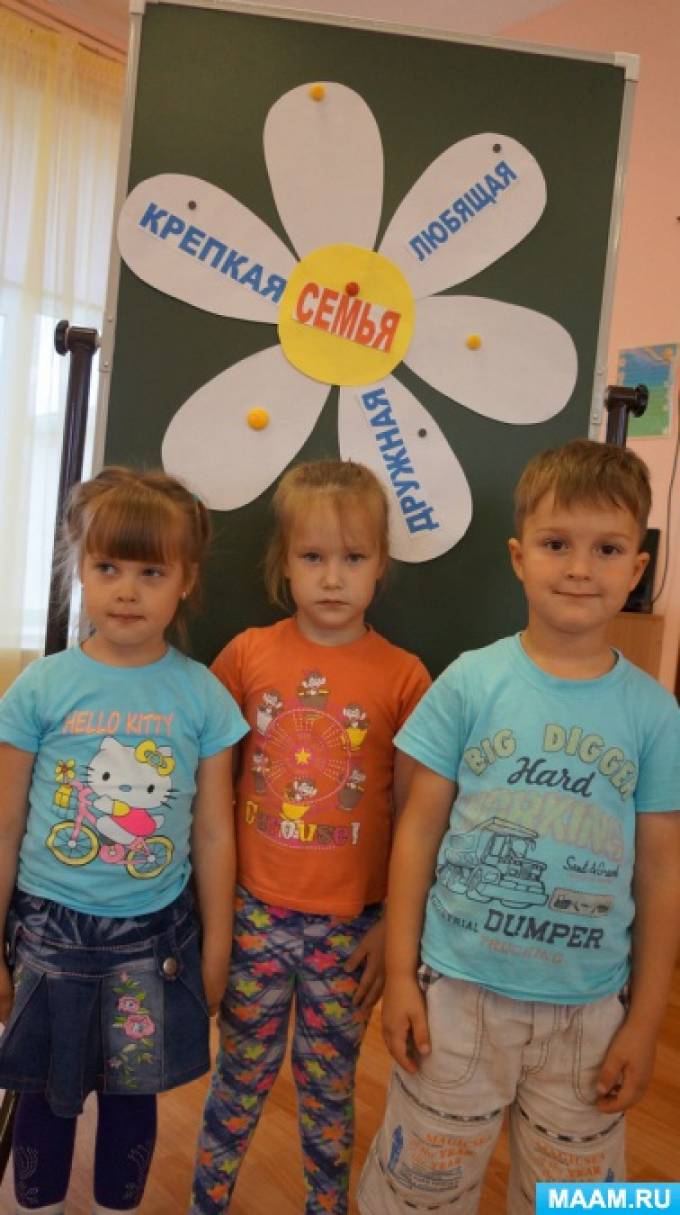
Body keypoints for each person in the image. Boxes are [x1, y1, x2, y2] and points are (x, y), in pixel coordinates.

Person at [357, 439, 680, 1214]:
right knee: (420, 1192)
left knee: (581, 1199)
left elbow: (662, 870)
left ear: (637, 568)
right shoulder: (471, 681)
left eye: (607, 549)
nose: (580, 568)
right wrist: (399, 974)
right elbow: (416, 833)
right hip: (456, 998)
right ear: (518, 556)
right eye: (556, 543)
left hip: (590, 1013)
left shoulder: (654, 712)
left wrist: (645, 1022)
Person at [0, 467, 249, 1215]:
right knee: (43, 1093)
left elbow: (214, 831)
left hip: (154, 936)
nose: (127, 590)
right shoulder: (41, 687)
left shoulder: (202, 694)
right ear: (79, 568)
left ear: (186, 580)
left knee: (132, 1096)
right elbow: (4, 822)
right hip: (47, 932)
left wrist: (218, 947)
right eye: (108, 567)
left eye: (151, 572)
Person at [191, 459, 431, 1215]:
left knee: (329, 1093)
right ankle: (207, 1202)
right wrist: (214, 920)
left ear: (381, 565)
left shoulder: (405, 678)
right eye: (313, 556)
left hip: (350, 928)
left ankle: (326, 1205)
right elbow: (206, 784)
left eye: (353, 557)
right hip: (254, 912)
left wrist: (394, 927)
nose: (333, 577)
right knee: (239, 1078)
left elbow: (421, 820)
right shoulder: (246, 656)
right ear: (283, 563)